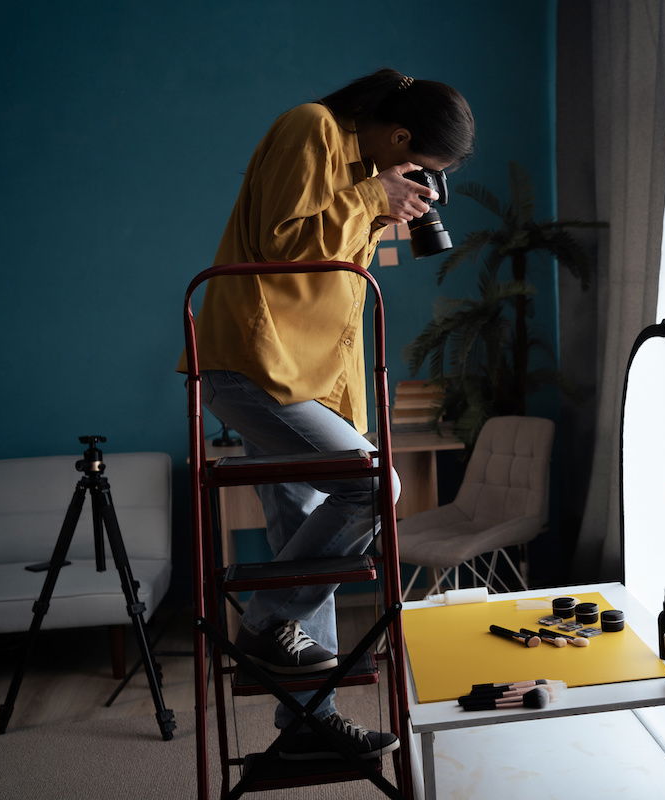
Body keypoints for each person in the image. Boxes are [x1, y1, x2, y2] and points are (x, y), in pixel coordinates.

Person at [184, 68, 475, 762]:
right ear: (402, 138)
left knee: (299, 542)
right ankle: (262, 624)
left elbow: (331, 287)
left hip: (302, 378)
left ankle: (308, 726)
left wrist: (378, 210)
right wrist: (374, 194)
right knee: (375, 485)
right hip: (256, 363)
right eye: (421, 168)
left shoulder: (358, 178)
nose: (416, 179)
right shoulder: (312, 127)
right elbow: (282, 244)